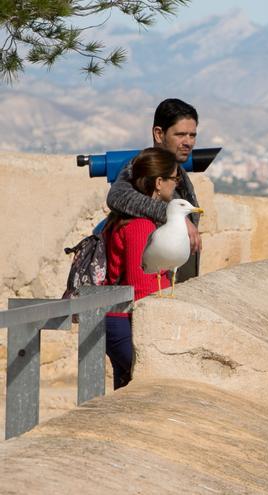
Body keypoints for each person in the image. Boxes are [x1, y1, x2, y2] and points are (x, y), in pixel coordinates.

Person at [104, 147, 180, 389]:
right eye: (175, 178)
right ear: (159, 182)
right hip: (124, 323)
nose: (177, 184)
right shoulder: (141, 226)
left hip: (119, 321)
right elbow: (143, 287)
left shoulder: (127, 218)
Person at [106, 98, 202, 282]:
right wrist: (173, 216)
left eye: (192, 135)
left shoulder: (180, 174)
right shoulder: (142, 168)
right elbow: (118, 196)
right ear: (159, 134)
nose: (188, 142)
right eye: (180, 134)